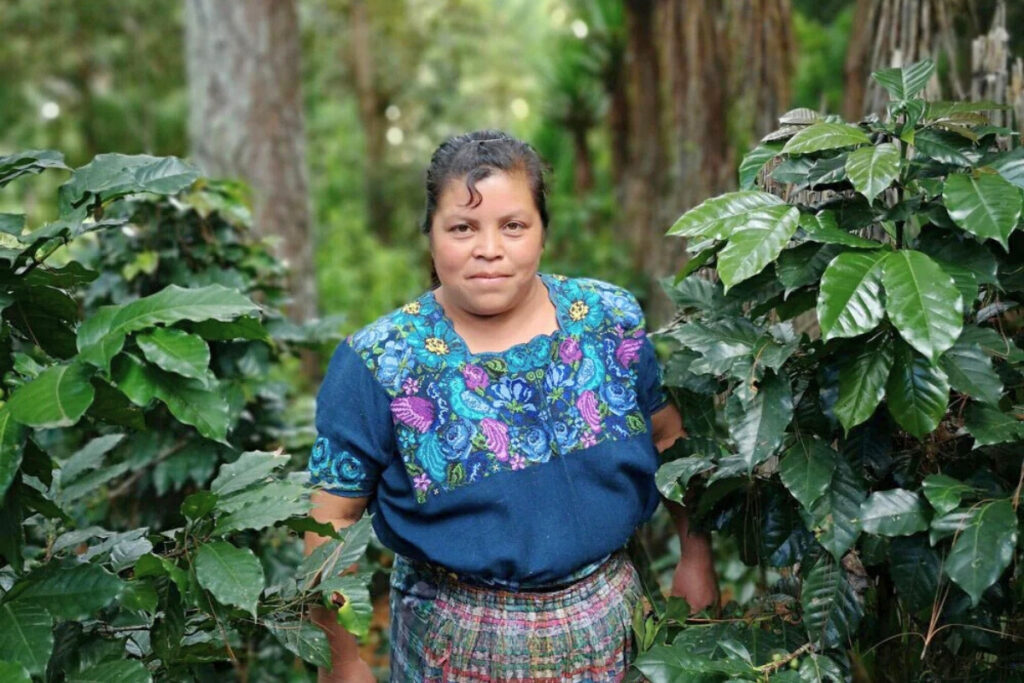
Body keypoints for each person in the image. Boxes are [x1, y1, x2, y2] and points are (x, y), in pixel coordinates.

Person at [304, 130, 717, 682]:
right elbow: (332, 522)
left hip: (618, 624)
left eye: (513, 226)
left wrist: (696, 558)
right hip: (451, 645)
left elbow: (668, 439)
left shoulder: (607, 319)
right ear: (430, 235)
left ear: (543, 231)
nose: (489, 249)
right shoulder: (380, 362)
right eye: (462, 228)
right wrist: (344, 659)